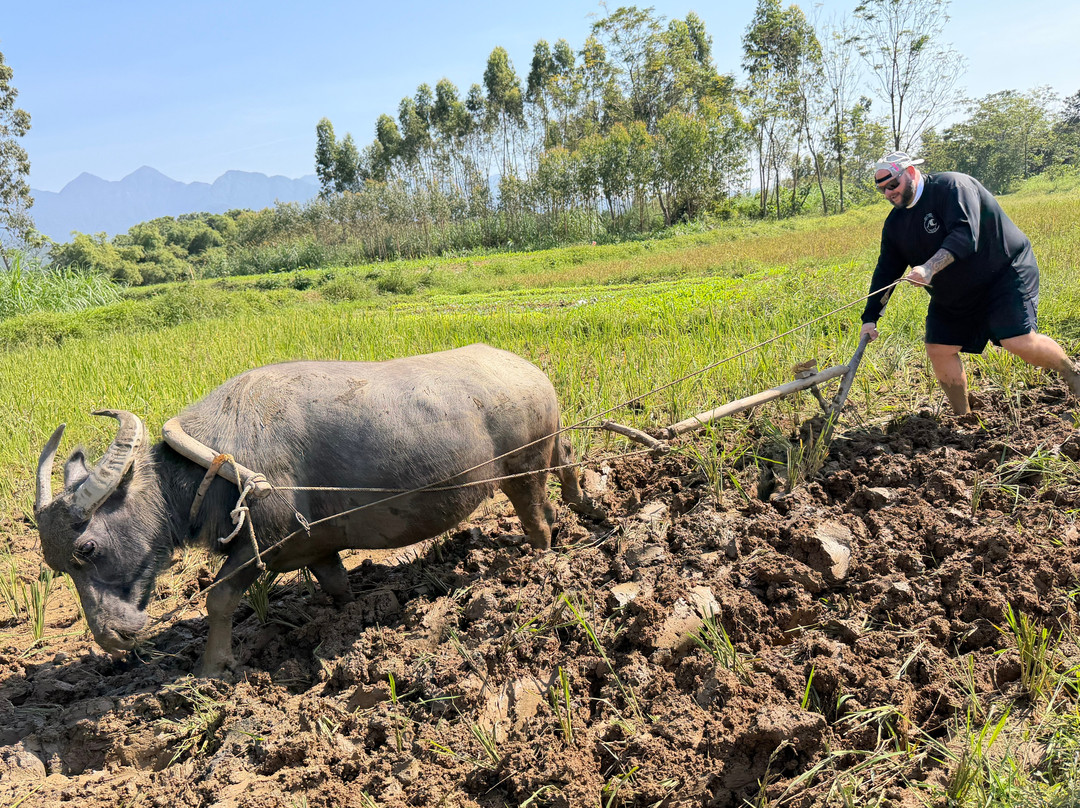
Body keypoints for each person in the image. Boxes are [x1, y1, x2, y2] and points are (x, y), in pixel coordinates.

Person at [859, 151, 1080, 414]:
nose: (888, 194)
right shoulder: (895, 225)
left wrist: (928, 268)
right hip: (954, 290)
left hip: (1001, 272)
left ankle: (1073, 373)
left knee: (1017, 341)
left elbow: (965, 235)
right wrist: (870, 317)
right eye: (881, 189)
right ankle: (962, 418)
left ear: (910, 173)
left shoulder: (952, 187)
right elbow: (886, 271)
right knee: (939, 348)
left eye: (892, 185)